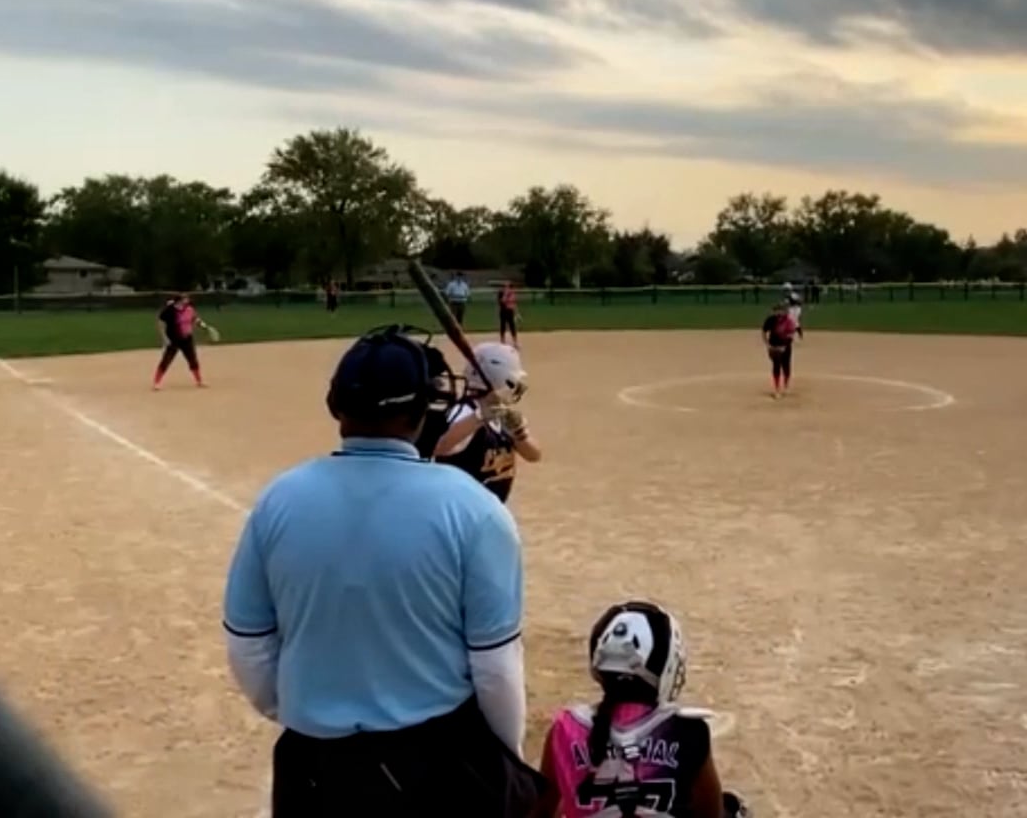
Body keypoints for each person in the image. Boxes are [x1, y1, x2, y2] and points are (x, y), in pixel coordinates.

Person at [222, 325, 543, 817]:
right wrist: (504, 761)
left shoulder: (277, 500)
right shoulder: (475, 509)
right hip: (433, 763)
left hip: (312, 764)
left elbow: (248, 646)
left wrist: (305, 715)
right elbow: (496, 667)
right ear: (425, 409)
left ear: (336, 406)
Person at [530, 600, 749, 818]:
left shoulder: (565, 727)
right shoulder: (687, 730)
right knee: (732, 809)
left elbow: (541, 811)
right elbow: (711, 813)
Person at [433, 341, 541, 504]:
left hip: (489, 511)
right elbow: (438, 448)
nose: (515, 388)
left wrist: (519, 433)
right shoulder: (464, 412)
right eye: (511, 383)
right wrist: (480, 417)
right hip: (462, 511)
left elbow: (534, 455)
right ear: (498, 380)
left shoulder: (502, 414)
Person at [153, 292, 209, 390]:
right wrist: (165, 338)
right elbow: (161, 322)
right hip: (173, 339)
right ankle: (156, 383)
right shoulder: (169, 310)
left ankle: (199, 381)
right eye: (185, 299)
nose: (188, 300)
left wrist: (202, 325)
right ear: (179, 301)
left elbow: (194, 318)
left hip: (187, 339)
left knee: (192, 360)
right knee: (166, 360)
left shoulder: (189, 309)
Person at [762, 299, 802, 399]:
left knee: (786, 366)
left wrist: (785, 346)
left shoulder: (788, 321)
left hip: (785, 346)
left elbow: (791, 334)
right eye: (777, 310)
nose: (779, 312)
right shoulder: (771, 320)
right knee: (776, 366)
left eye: (781, 310)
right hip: (774, 346)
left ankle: (786, 386)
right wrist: (767, 344)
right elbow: (764, 331)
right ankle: (777, 389)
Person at [498, 280, 521, 347]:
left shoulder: (512, 293)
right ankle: (502, 341)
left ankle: (515, 342)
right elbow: (501, 301)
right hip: (503, 312)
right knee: (503, 326)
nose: (507, 288)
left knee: (512, 326)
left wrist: (517, 313)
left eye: (509, 286)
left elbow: (514, 303)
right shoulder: (501, 293)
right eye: (505, 286)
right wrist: (505, 294)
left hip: (510, 312)